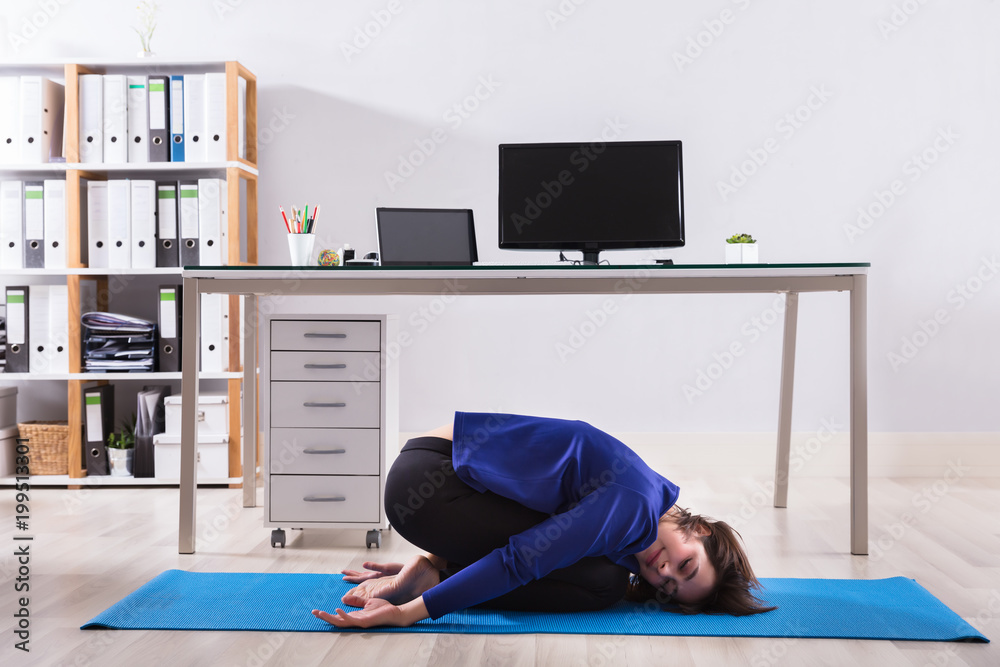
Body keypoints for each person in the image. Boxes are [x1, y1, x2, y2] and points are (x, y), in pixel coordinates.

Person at [312, 412, 775, 628]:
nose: (663, 572)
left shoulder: (652, 499)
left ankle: (438, 563)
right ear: (702, 531)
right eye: (686, 564)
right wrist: (410, 614)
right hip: (431, 484)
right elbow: (522, 560)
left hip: (434, 478)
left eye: (669, 586)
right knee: (602, 584)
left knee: (604, 576)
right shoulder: (632, 508)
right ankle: (435, 570)